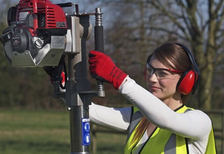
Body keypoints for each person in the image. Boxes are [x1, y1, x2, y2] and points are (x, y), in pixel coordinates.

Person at [88, 42, 216, 154]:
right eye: (150, 70)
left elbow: (168, 120)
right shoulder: (138, 118)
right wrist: (67, 88)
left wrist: (119, 79)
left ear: (186, 80)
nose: (152, 78)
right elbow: (86, 111)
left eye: (162, 73)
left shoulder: (201, 121)